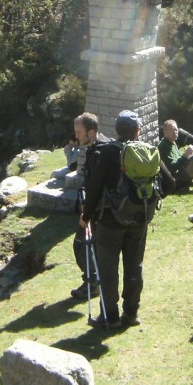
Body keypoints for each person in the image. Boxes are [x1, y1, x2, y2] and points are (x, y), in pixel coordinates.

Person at [80, 110, 157, 329]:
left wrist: (86, 215)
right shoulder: (147, 153)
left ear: (116, 130)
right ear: (138, 130)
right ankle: (131, 314)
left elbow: (93, 187)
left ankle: (110, 317)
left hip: (110, 221)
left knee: (108, 269)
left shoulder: (108, 152)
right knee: (134, 266)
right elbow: (168, 183)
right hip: (139, 220)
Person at [68, 112, 110, 299]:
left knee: (81, 245)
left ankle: (93, 284)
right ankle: (94, 282)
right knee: (92, 246)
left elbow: (95, 187)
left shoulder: (99, 152)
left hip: (99, 210)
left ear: (91, 132)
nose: (76, 136)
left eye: (79, 132)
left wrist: (86, 215)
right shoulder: (105, 145)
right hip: (106, 208)